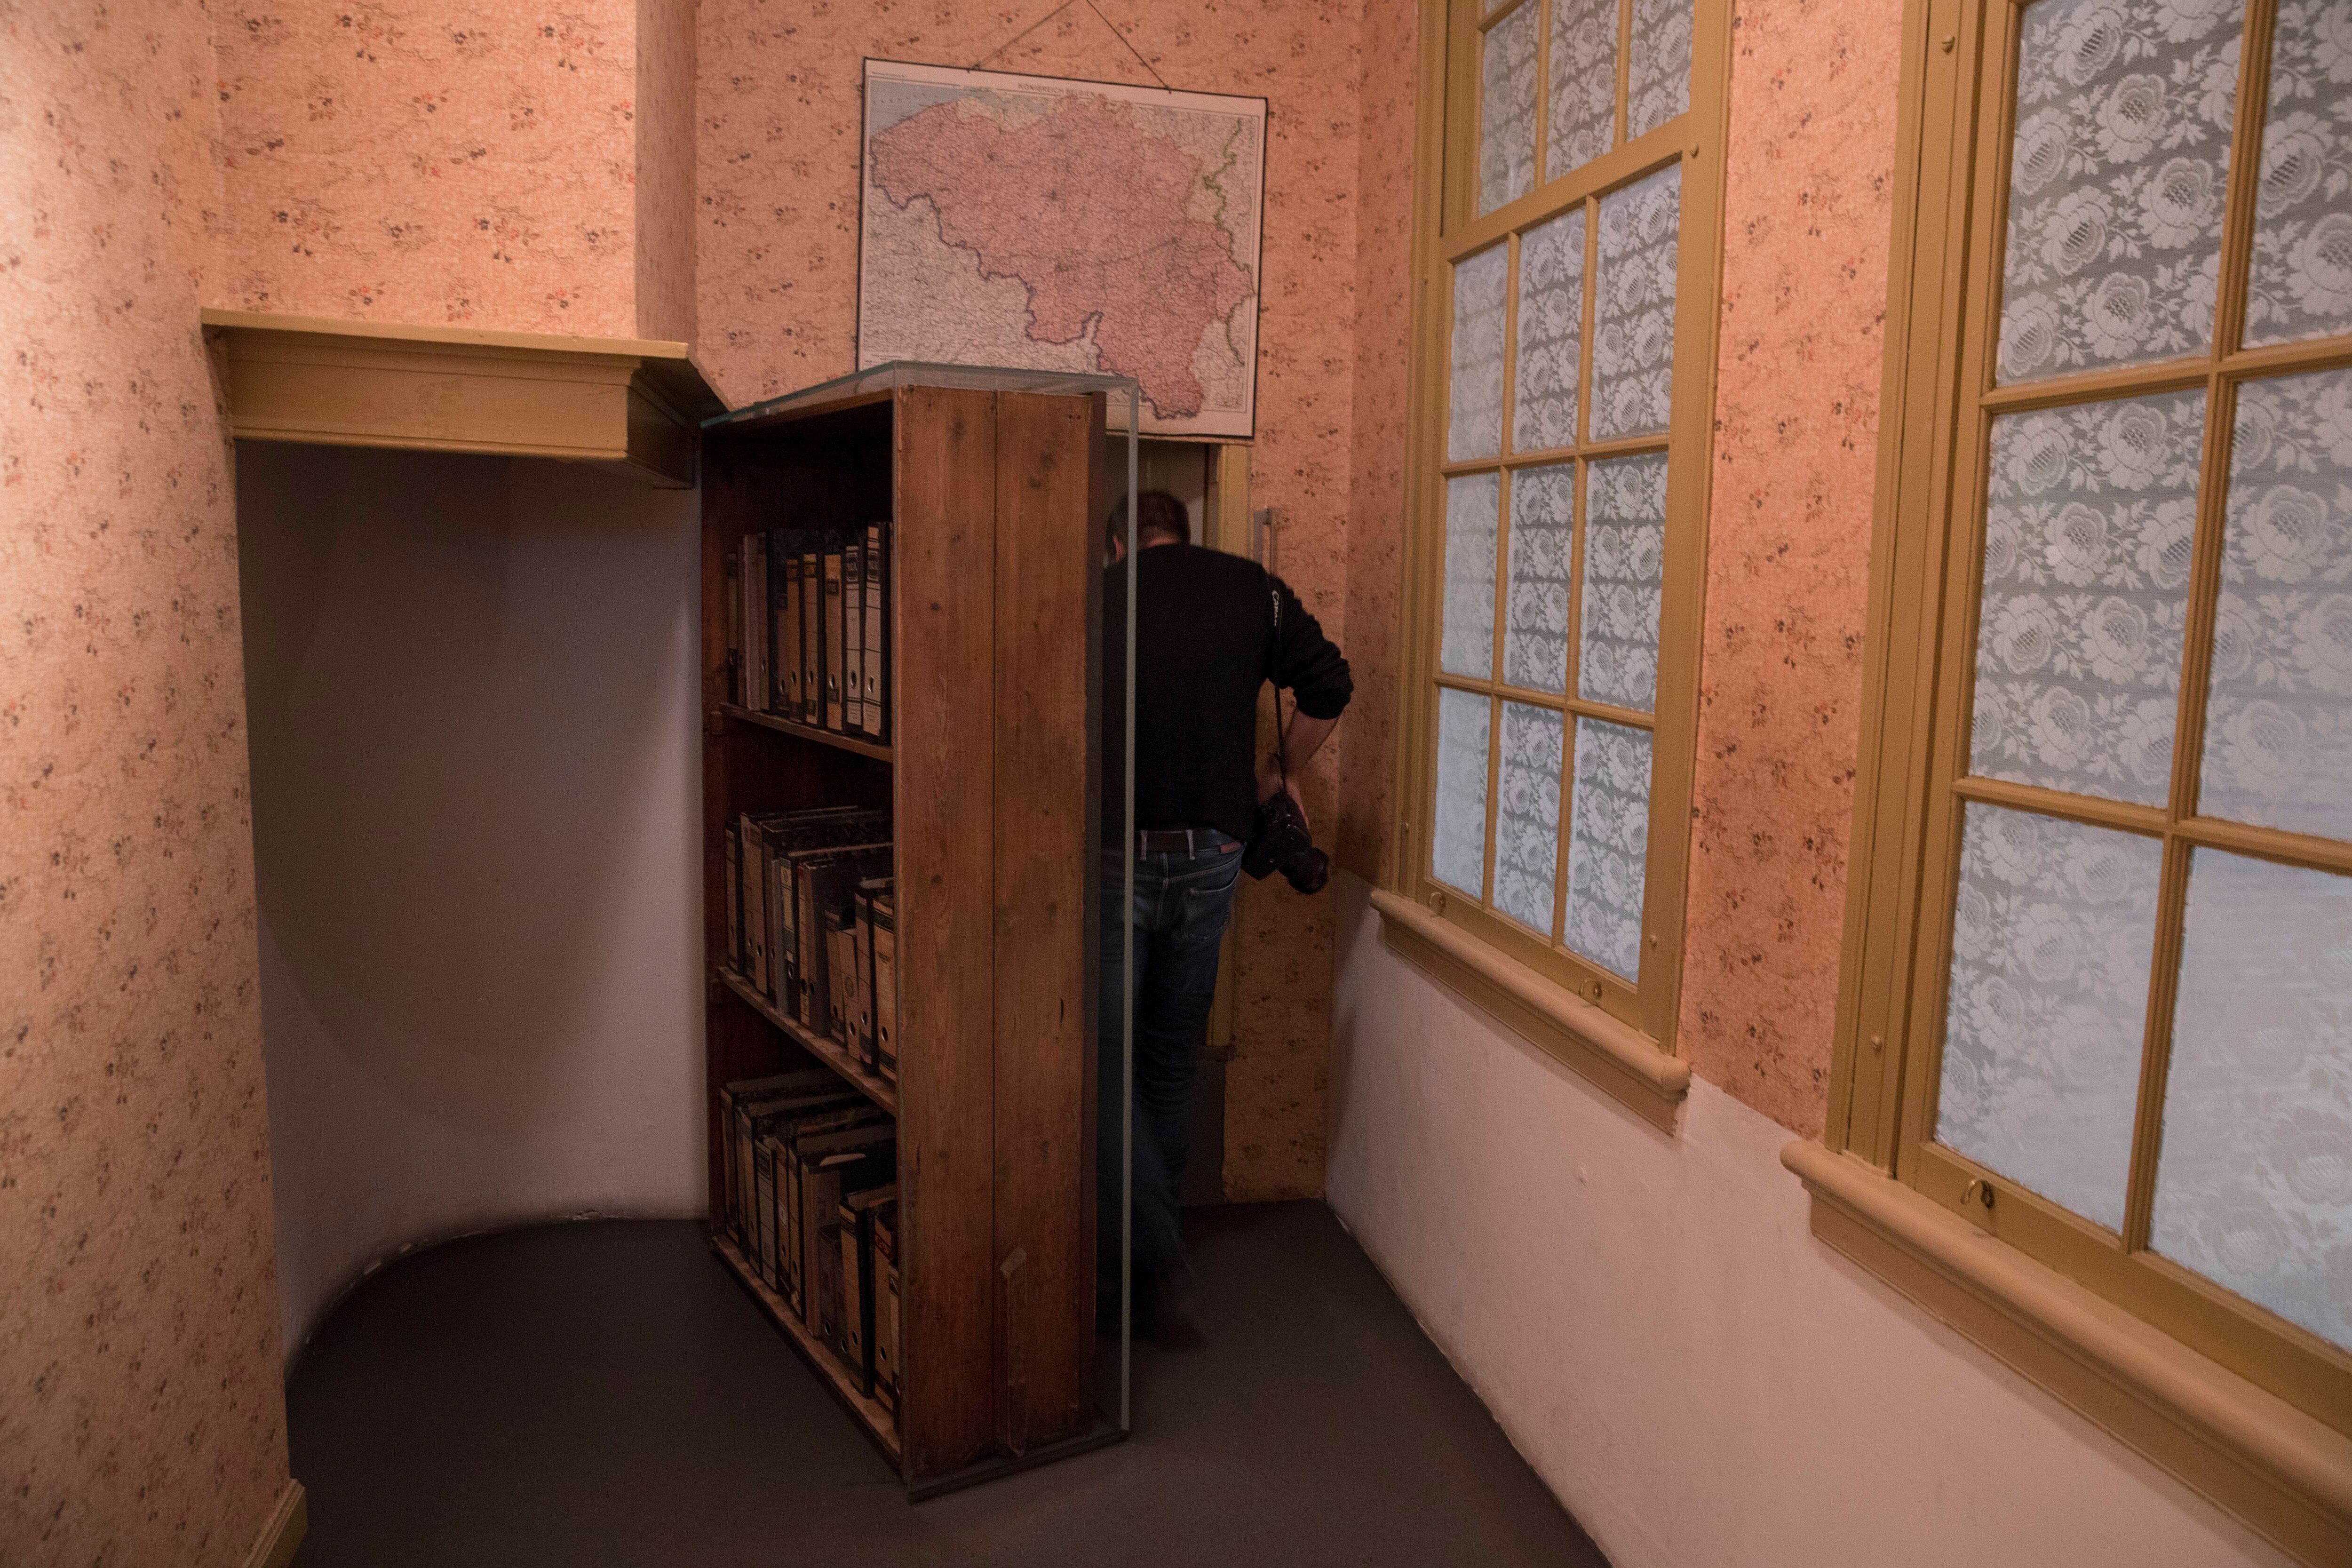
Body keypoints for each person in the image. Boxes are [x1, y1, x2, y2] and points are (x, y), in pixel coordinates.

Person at [1099, 489, 1351, 1344]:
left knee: (1103, 1060)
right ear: (1184, 534)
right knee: (1173, 1052)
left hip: (1117, 850)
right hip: (1214, 847)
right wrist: (1278, 771)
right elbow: (1331, 684)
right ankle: (1158, 1247)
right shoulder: (1249, 586)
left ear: (1118, 546)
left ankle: (1149, 1256)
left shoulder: (1098, 595)